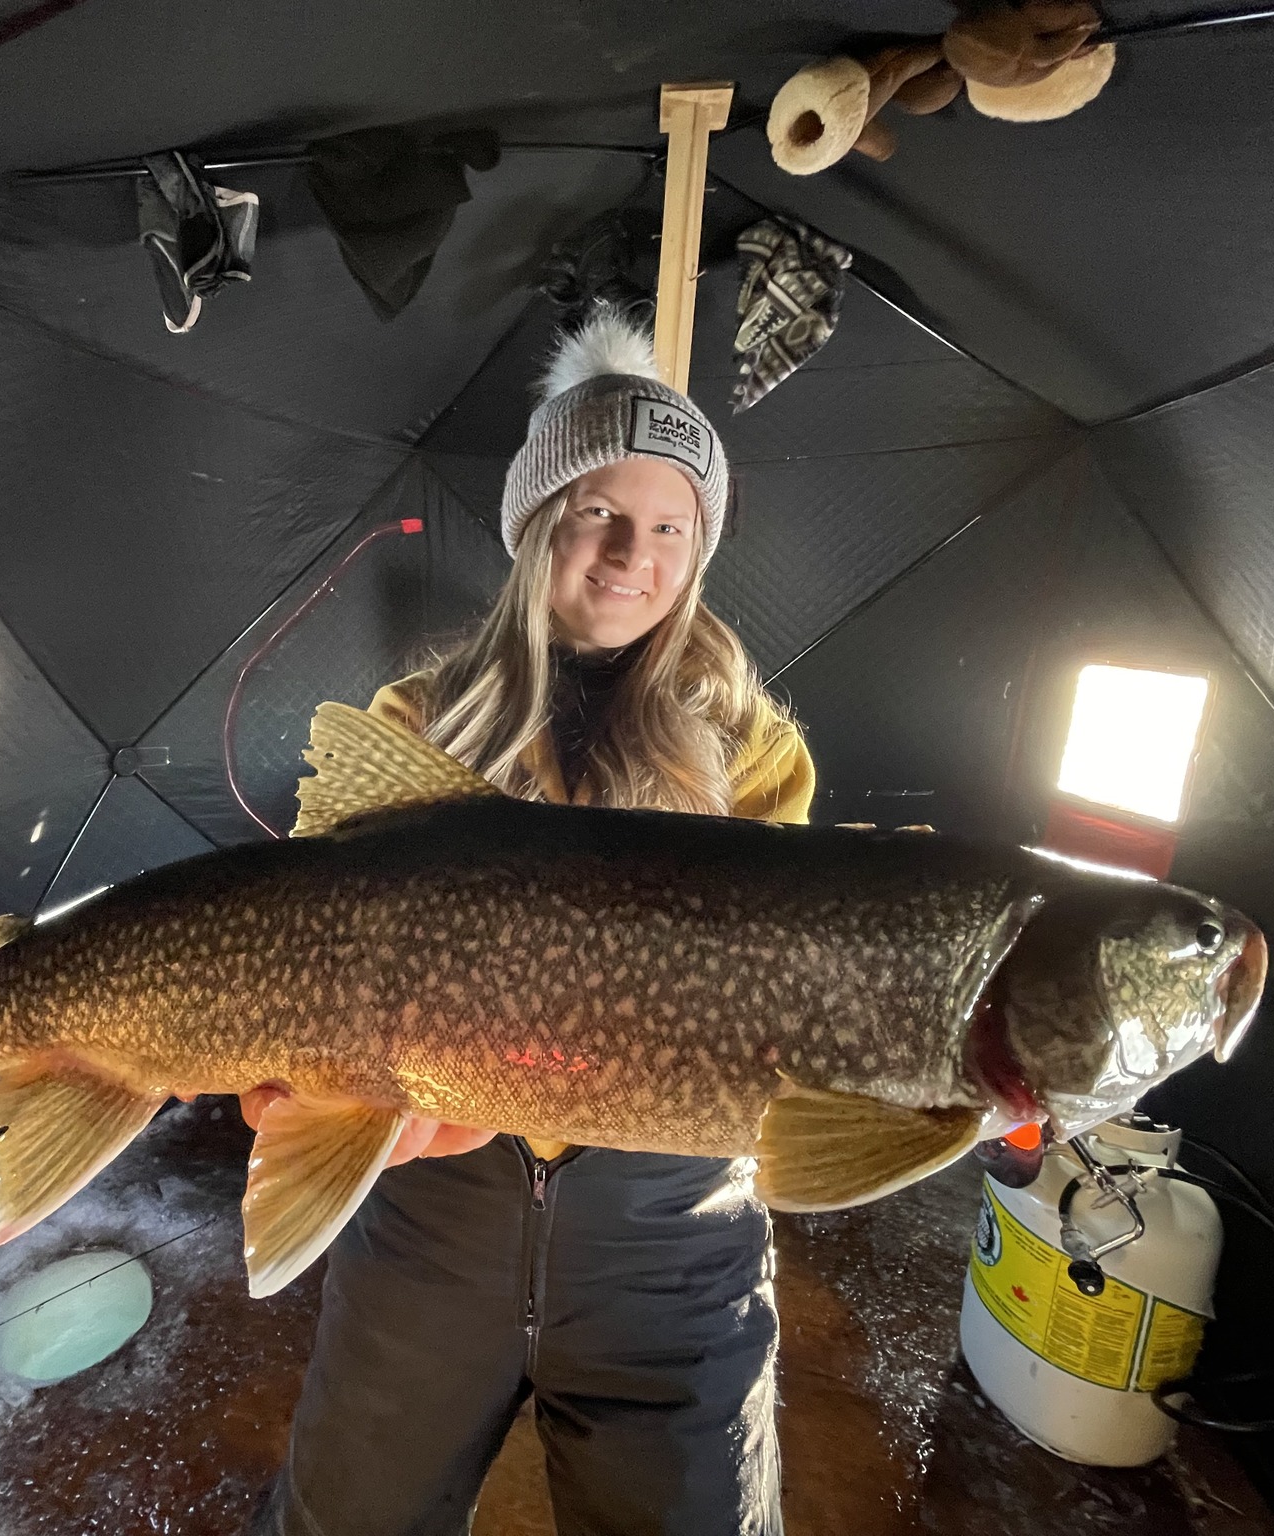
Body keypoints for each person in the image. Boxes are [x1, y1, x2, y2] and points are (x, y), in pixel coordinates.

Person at [247, 308, 814, 1536]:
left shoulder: (753, 754)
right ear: (530, 524)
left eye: (671, 526)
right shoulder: (412, 721)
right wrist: (307, 1086)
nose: (631, 556)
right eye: (596, 513)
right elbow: (300, 954)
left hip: (670, 1234)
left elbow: (783, 1003)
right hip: (429, 1223)